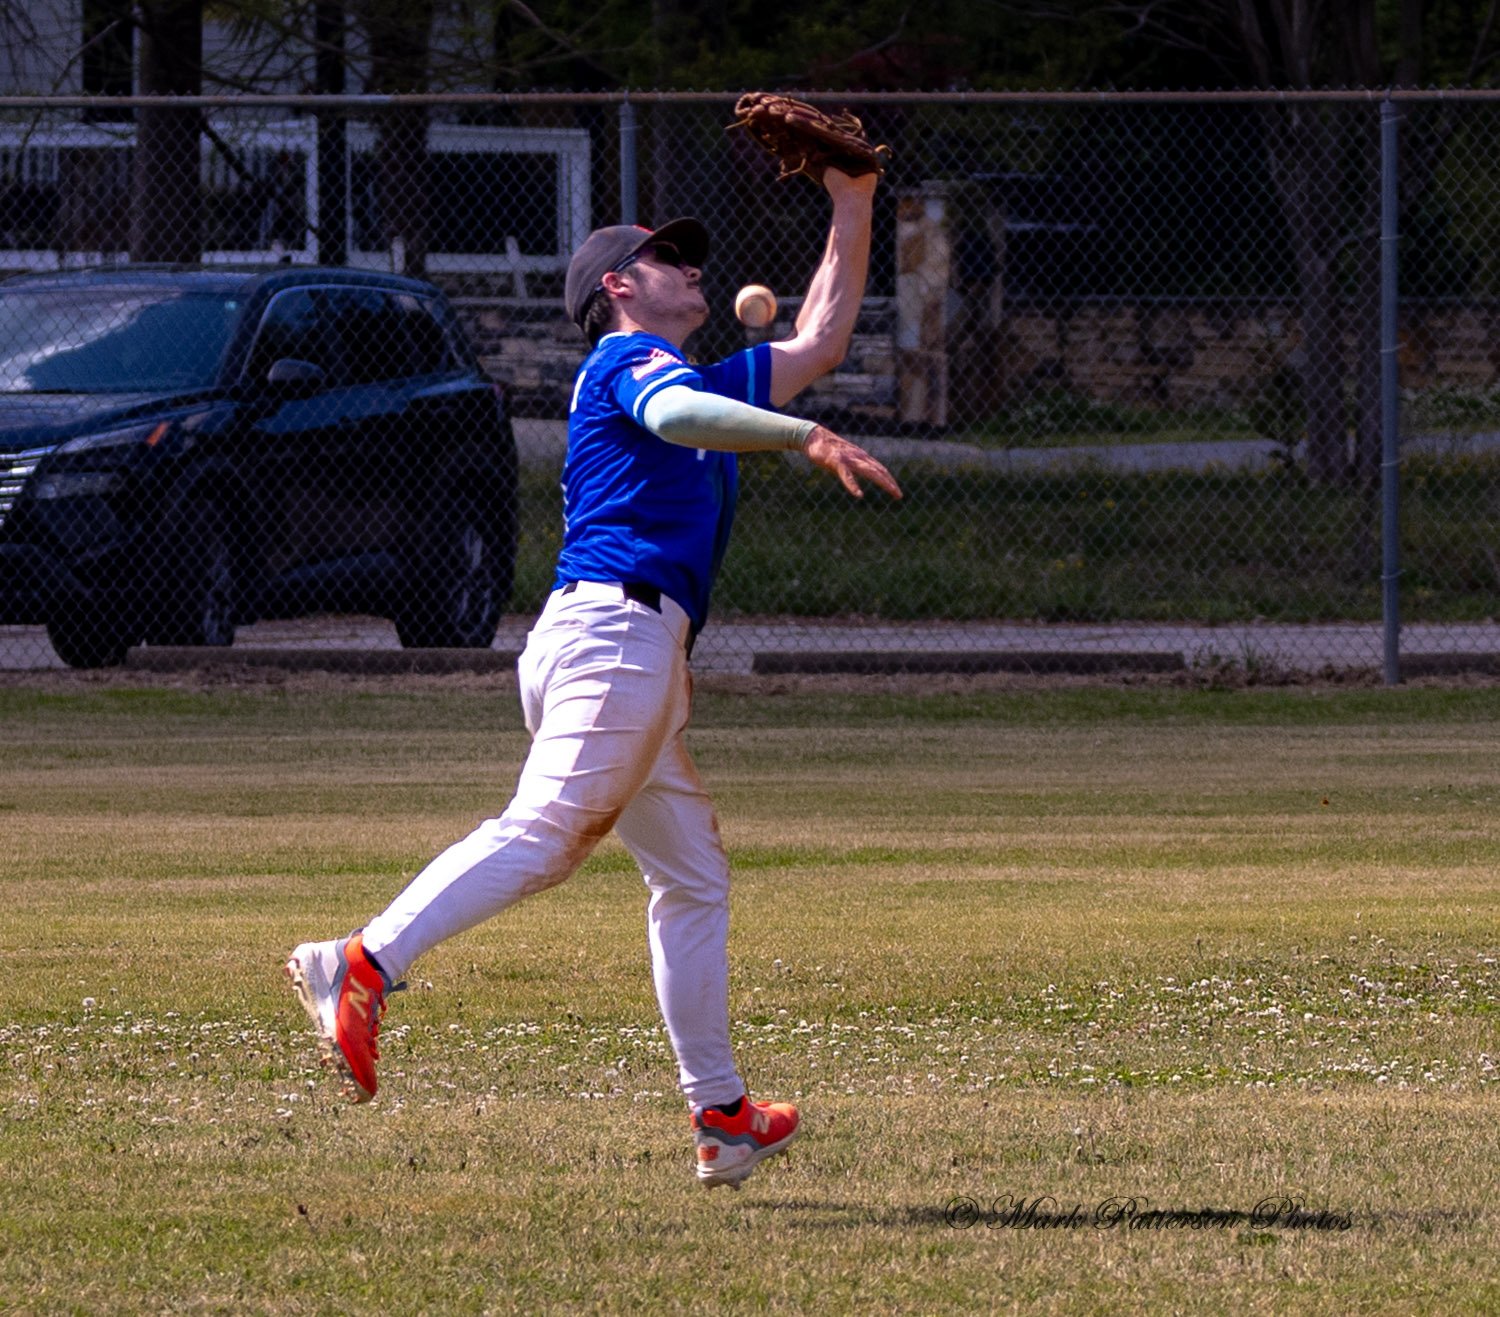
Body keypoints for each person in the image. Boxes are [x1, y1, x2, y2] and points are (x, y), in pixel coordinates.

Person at [286, 168, 901, 1190]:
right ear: (618, 286)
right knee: (547, 832)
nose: (690, 264)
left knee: (692, 879)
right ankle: (361, 960)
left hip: (623, 651)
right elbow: (671, 422)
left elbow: (822, 340)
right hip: (616, 638)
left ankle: (724, 1115)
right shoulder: (632, 363)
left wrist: (854, 199)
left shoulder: (696, 380)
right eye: (665, 255)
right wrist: (805, 434)